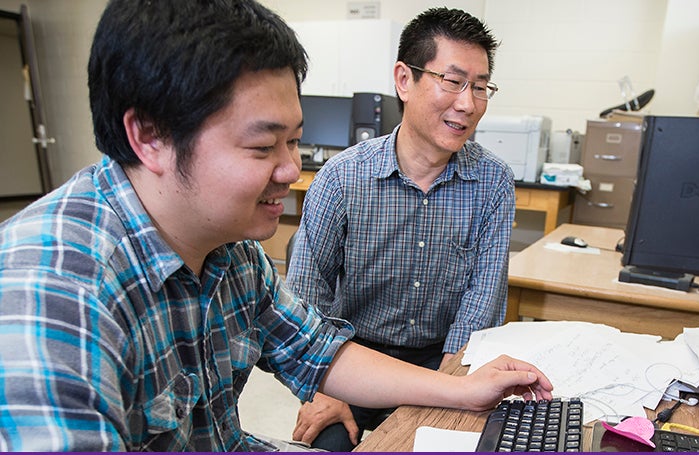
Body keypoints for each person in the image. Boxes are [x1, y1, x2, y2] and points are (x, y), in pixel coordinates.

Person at [0, 0, 553, 451]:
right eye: (264, 146)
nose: (292, 171)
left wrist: (465, 390)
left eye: (294, 139)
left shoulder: (231, 248)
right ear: (151, 137)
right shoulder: (55, 295)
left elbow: (316, 349)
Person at [285, 7, 515, 450]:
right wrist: (324, 390)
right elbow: (304, 304)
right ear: (404, 80)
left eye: (481, 87)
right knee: (325, 441)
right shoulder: (342, 177)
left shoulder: (493, 183)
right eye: (452, 81)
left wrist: (452, 391)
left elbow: (479, 310)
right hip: (348, 361)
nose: (467, 104)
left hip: (439, 364)